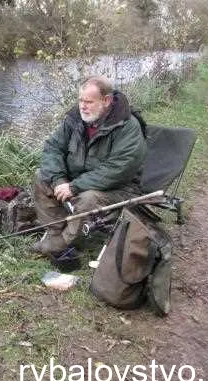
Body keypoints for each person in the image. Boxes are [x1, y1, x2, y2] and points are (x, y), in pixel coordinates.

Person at [31, 75, 147, 255]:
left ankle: (64, 242)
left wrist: (75, 186)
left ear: (106, 100)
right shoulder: (74, 119)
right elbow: (53, 148)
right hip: (78, 180)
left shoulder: (128, 126)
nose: (83, 106)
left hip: (119, 187)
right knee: (42, 176)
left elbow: (119, 169)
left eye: (89, 102)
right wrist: (59, 179)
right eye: (80, 100)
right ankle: (55, 232)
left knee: (88, 198)